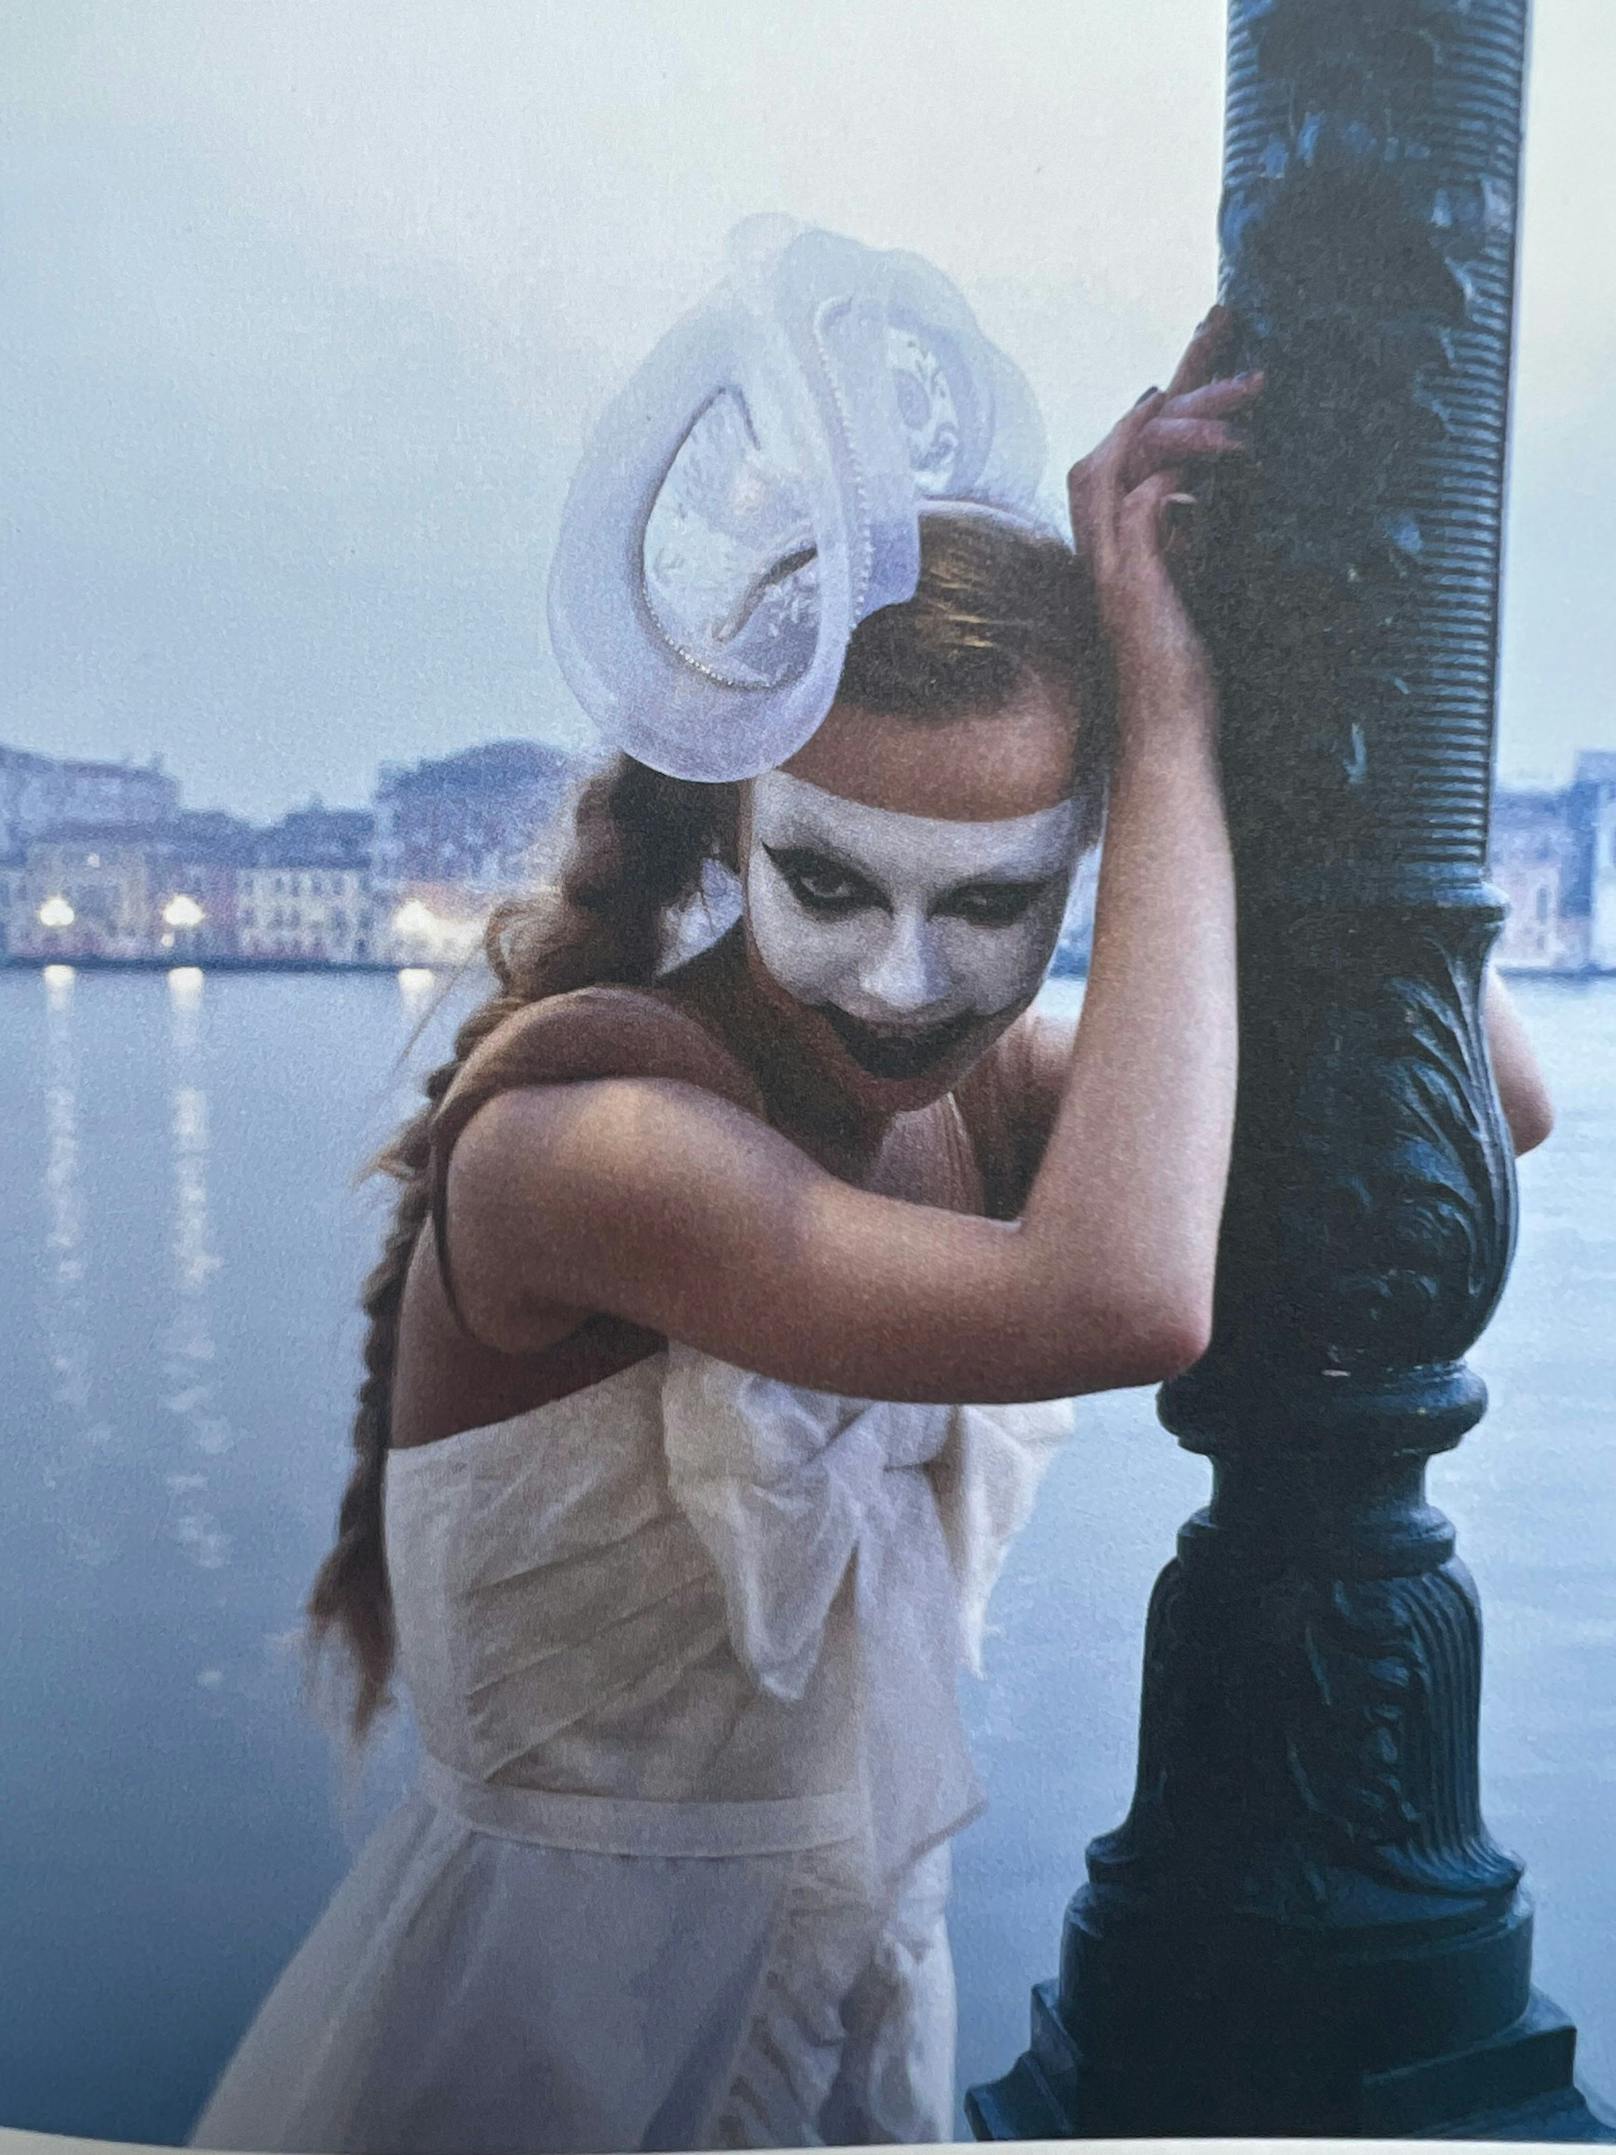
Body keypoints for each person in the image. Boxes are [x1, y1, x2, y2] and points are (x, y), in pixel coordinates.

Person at [190, 267, 1552, 2153]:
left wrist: (1254, 687)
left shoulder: (979, 1104)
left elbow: (1483, 1094)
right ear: (728, 826)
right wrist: (1160, 736)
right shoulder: (596, 1149)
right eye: (829, 881)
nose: (903, 984)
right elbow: (1127, 1298)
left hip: (837, 2034)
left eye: (992, 903)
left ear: (1075, 871)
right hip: (534, 2063)